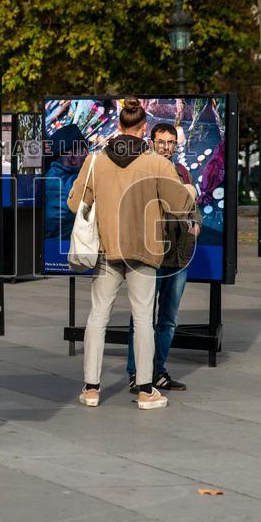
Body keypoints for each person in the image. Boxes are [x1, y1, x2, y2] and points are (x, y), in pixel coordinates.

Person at [67, 99, 192, 410]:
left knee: (97, 317)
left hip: (107, 250)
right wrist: (189, 192)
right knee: (143, 320)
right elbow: (180, 206)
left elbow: (74, 203)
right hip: (145, 251)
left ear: (119, 126)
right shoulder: (158, 164)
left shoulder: (96, 161)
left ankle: (92, 389)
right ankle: (146, 390)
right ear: (143, 129)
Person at [125, 123, 200, 392]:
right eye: (161, 141)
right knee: (142, 317)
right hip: (150, 255)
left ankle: (158, 371)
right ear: (151, 141)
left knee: (168, 319)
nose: (166, 147)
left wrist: (196, 224)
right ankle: (136, 373)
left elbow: (194, 206)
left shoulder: (182, 172)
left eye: (171, 142)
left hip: (178, 258)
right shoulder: (143, 170)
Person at [44, 124, 88, 239]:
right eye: (85, 152)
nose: (87, 157)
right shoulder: (70, 185)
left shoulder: (51, 176)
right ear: (73, 158)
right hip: (61, 252)